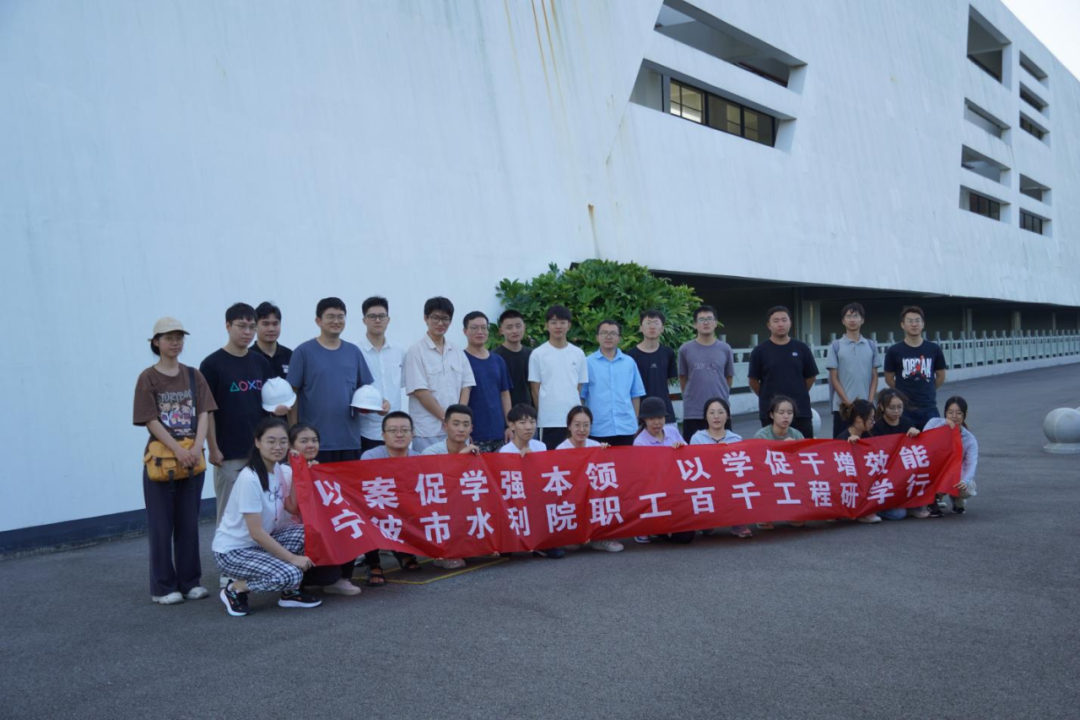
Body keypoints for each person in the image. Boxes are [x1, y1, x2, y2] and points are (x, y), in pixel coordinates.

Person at [133, 317, 217, 605]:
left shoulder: (194, 375)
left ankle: (190, 582)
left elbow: (204, 412)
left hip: (192, 458)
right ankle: (163, 587)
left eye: (179, 337)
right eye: (168, 337)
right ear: (156, 342)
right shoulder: (148, 377)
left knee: (188, 524)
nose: (175, 342)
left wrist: (197, 446)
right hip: (162, 461)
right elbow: (150, 419)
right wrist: (178, 450)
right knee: (161, 526)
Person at [213, 418, 322, 616]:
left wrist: (300, 471)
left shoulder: (277, 469)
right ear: (258, 442)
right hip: (234, 551)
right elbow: (256, 533)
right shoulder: (250, 478)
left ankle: (289, 594)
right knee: (291, 574)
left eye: (282, 442)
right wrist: (293, 559)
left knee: (310, 533)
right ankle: (235, 588)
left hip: (259, 545)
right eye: (271, 441)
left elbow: (292, 508)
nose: (277, 447)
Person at [200, 303, 277, 534]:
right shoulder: (212, 364)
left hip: (259, 451)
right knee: (229, 512)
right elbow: (207, 411)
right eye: (241, 326)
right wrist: (213, 448)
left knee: (264, 509)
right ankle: (225, 555)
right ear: (227, 326)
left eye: (252, 327)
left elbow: (269, 404)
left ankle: (261, 553)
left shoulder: (260, 362)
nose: (248, 332)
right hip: (228, 452)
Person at [287, 297, 383, 462]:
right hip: (314, 444)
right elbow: (291, 395)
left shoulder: (353, 352)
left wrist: (381, 403)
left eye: (340, 317)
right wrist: (294, 435)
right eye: (330, 317)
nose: (336, 321)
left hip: (349, 440)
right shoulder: (303, 352)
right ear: (318, 321)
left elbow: (365, 391)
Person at [283, 423, 363, 596]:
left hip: (313, 533)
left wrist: (314, 473)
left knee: (351, 524)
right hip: (291, 537)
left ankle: (342, 579)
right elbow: (293, 508)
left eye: (314, 440)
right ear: (290, 446)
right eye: (304, 441)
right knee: (327, 575)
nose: (311, 445)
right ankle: (292, 582)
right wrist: (301, 472)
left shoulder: (318, 468)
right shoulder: (284, 471)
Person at [404, 296, 476, 452]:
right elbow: (420, 392)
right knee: (430, 466)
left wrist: (458, 420)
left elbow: (466, 386)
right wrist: (448, 420)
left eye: (445, 319)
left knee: (459, 466)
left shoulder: (457, 350)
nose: (440, 323)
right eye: (435, 318)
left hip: (457, 431)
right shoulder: (415, 351)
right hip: (428, 430)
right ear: (426, 318)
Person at [359, 411, 422, 583]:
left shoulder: (419, 459)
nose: (399, 434)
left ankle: (403, 552)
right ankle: (373, 563)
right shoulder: (370, 456)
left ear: (412, 433)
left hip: (406, 508)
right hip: (378, 507)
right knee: (366, 514)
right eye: (393, 430)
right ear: (383, 435)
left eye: (404, 430)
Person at [499, 404, 565, 559]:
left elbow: (545, 475)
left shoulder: (540, 446)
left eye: (532, 422)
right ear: (512, 425)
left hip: (536, 494)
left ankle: (544, 543)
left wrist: (533, 462)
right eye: (522, 423)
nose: (528, 427)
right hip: (516, 497)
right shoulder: (505, 451)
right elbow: (506, 483)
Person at [420, 404, 480, 570]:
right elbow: (435, 485)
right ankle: (442, 553)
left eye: (466, 425)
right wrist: (460, 458)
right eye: (456, 424)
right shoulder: (430, 452)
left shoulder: (475, 453)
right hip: (440, 505)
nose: (461, 429)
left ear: (471, 428)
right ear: (445, 426)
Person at [555, 406, 622, 553]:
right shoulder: (560, 450)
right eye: (577, 425)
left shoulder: (596, 446)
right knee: (572, 546)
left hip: (593, 496)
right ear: (569, 426)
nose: (582, 429)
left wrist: (605, 453)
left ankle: (600, 538)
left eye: (586, 425)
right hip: (573, 498)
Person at [748, 306, 819, 438]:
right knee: (773, 449)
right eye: (776, 321)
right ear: (769, 325)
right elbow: (753, 381)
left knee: (803, 447)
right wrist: (767, 396)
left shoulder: (802, 348)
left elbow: (811, 377)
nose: (780, 324)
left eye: (784, 320)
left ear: (790, 323)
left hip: (800, 410)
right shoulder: (759, 351)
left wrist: (799, 391)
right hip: (771, 411)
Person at [689, 397, 752, 538]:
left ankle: (738, 523)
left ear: (727, 415)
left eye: (720, 412)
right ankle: (707, 521)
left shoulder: (735, 439)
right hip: (706, 480)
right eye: (711, 413)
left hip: (729, 481)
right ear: (705, 416)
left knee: (740, 486)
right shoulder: (697, 438)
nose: (716, 416)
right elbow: (694, 463)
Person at [528, 305, 588, 450]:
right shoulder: (538, 354)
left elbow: (579, 387)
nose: (558, 326)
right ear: (546, 325)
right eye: (553, 322)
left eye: (562, 322)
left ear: (569, 325)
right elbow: (535, 389)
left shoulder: (578, 353)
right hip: (548, 420)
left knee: (575, 459)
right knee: (550, 459)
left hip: (573, 420)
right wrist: (544, 413)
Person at [633, 397, 690, 544]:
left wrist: (682, 449)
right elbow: (644, 475)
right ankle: (651, 527)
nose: (657, 422)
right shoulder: (640, 442)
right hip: (656, 491)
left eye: (660, 417)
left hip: (677, 488)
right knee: (682, 537)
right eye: (651, 419)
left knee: (688, 535)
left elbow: (689, 456)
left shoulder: (672, 431)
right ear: (644, 420)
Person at [581, 319, 645, 446]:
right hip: (598, 428)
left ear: (619, 338)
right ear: (597, 337)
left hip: (626, 427)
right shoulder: (587, 363)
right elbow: (582, 395)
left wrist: (635, 419)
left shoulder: (629, 362)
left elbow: (635, 394)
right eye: (604, 333)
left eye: (613, 333)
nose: (608, 337)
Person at [883, 306, 947, 430]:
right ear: (902, 325)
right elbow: (889, 379)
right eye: (910, 321)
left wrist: (928, 389)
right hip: (904, 409)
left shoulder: (934, 349)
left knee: (932, 440)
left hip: (929, 408)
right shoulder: (894, 351)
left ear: (923, 324)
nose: (914, 324)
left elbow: (941, 376)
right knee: (905, 441)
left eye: (918, 321)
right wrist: (901, 392)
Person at [677, 305, 735, 442]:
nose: (706, 322)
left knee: (723, 449)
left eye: (709, 319)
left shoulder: (725, 348)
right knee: (693, 450)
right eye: (702, 319)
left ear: (715, 323)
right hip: (693, 412)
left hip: (720, 410)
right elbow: (683, 378)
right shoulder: (685, 349)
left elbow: (728, 377)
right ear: (695, 324)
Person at [825, 303, 881, 439]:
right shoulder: (835, 346)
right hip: (843, 408)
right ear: (843, 321)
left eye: (856, 316)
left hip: (866, 409)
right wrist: (848, 403)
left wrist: (870, 402)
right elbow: (834, 378)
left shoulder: (871, 345)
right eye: (848, 316)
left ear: (862, 320)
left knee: (868, 445)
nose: (852, 320)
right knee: (841, 446)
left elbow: (874, 376)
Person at [358, 296, 406, 454]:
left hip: (395, 430)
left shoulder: (399, 351)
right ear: (364, 320)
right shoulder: (355, 351)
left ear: (388, 319)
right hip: (366, 429)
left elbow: (402, 384)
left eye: (382, 316)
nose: (377, 320)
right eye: (372, 316)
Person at [752, 395, 804, 530]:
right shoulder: (761, 435)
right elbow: (757, 463)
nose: (786, 416)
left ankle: (793, 511)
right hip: (768, 476)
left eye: (790, 413)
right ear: (772, 415)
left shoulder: (797, 435)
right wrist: (781, 448)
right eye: (781, 412)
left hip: (790, 476)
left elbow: (803, 462)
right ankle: (765, 513)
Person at [462, 311, 512, 453]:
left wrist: (509, 425)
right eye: (474, 328)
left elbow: (505, 394)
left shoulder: (497, 360)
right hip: (474, 435)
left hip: (499, 433)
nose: (480, 332)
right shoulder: (461, 359)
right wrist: (464, 430)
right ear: (465, 331)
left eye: (484, 327)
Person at [923, 396, 978, 516]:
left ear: (964, 414)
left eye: (958, 413)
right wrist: (944, 423)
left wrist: (964, 481)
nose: (954, 416)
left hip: (954, 473)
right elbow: (924, 441)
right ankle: (932, 499)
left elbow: (971, 464)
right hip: (932, 469)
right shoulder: (934, 422)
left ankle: (957, 498)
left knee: (966, 487)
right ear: (945, 413)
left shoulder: (969, 439)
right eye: (950, 412)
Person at [627, 309, 678, 429]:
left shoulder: (668, 352)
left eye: (656, 323)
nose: (652, 327)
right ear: (641, 328)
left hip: (665, 413)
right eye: (648, 323)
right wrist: (635, 416)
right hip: (641, 415)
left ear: (662, 328)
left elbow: (668, 382)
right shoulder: (631, 355)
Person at [835, 399, 882, 524]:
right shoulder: (842, 439)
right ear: (858, 419)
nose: (873, 422)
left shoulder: (869, 434)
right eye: (870, 418)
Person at [494, 310, 533, 410]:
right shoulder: (495, 357)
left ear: (524, 327)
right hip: (504, 411)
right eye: (509, 327)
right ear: (501, 330)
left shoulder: (532, 355)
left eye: (518, 326)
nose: (514, 331)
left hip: (529, 412)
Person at [251, 301, 292, 380]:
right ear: (255, 326)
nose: (271, 329)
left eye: (275, 324)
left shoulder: (290, 355)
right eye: (265, 324)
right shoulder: (248, 357)